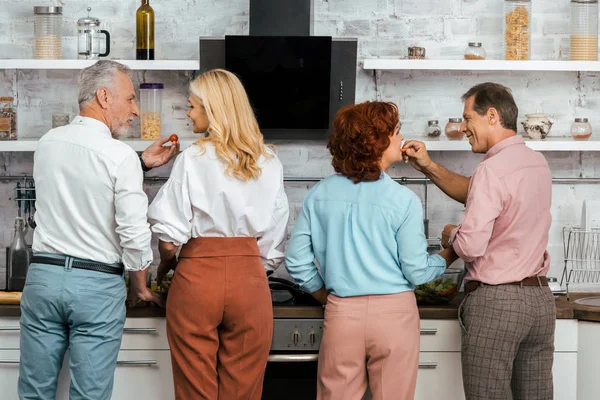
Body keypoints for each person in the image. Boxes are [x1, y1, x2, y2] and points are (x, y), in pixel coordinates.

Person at [18, 60, 179, 400]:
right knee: (89, 396)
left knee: (33, 393)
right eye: (131, 99)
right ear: (105, 96)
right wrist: (140, 286)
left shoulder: (48, 142)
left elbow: (83, 180)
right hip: (95, 286)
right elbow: (134, 233)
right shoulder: (119, 155)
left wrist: (140, 163)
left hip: (43, 278)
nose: (134, 110)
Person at [285, 101, 459, 400]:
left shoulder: (319, 194)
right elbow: (416, 270)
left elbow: (296, 260)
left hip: (342, 312)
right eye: (395, 132)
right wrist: (451, 253)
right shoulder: (403, 200)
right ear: (377, 142)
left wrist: (322, 294)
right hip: (394, 315)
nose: (400, 138)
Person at [404, 82, 555, 400]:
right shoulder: (537, 163)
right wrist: (429, 166)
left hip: (498, 305)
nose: (463, 128)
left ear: (491, 116)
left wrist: (451, 234)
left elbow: (470, 246)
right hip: (540, 303)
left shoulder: (491, 170)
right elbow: (479, 191)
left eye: (467, 119)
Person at [147, 68, 289, 400]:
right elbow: (273, 242)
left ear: (214, 110)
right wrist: (249, 266)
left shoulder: (193, 158)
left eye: (193, 106)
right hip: (250, 281)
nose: (188, 113)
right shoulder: (268, 161)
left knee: (195, 389)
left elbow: (168, 241)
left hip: (196, 279)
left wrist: (168, 265)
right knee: (243, 389)